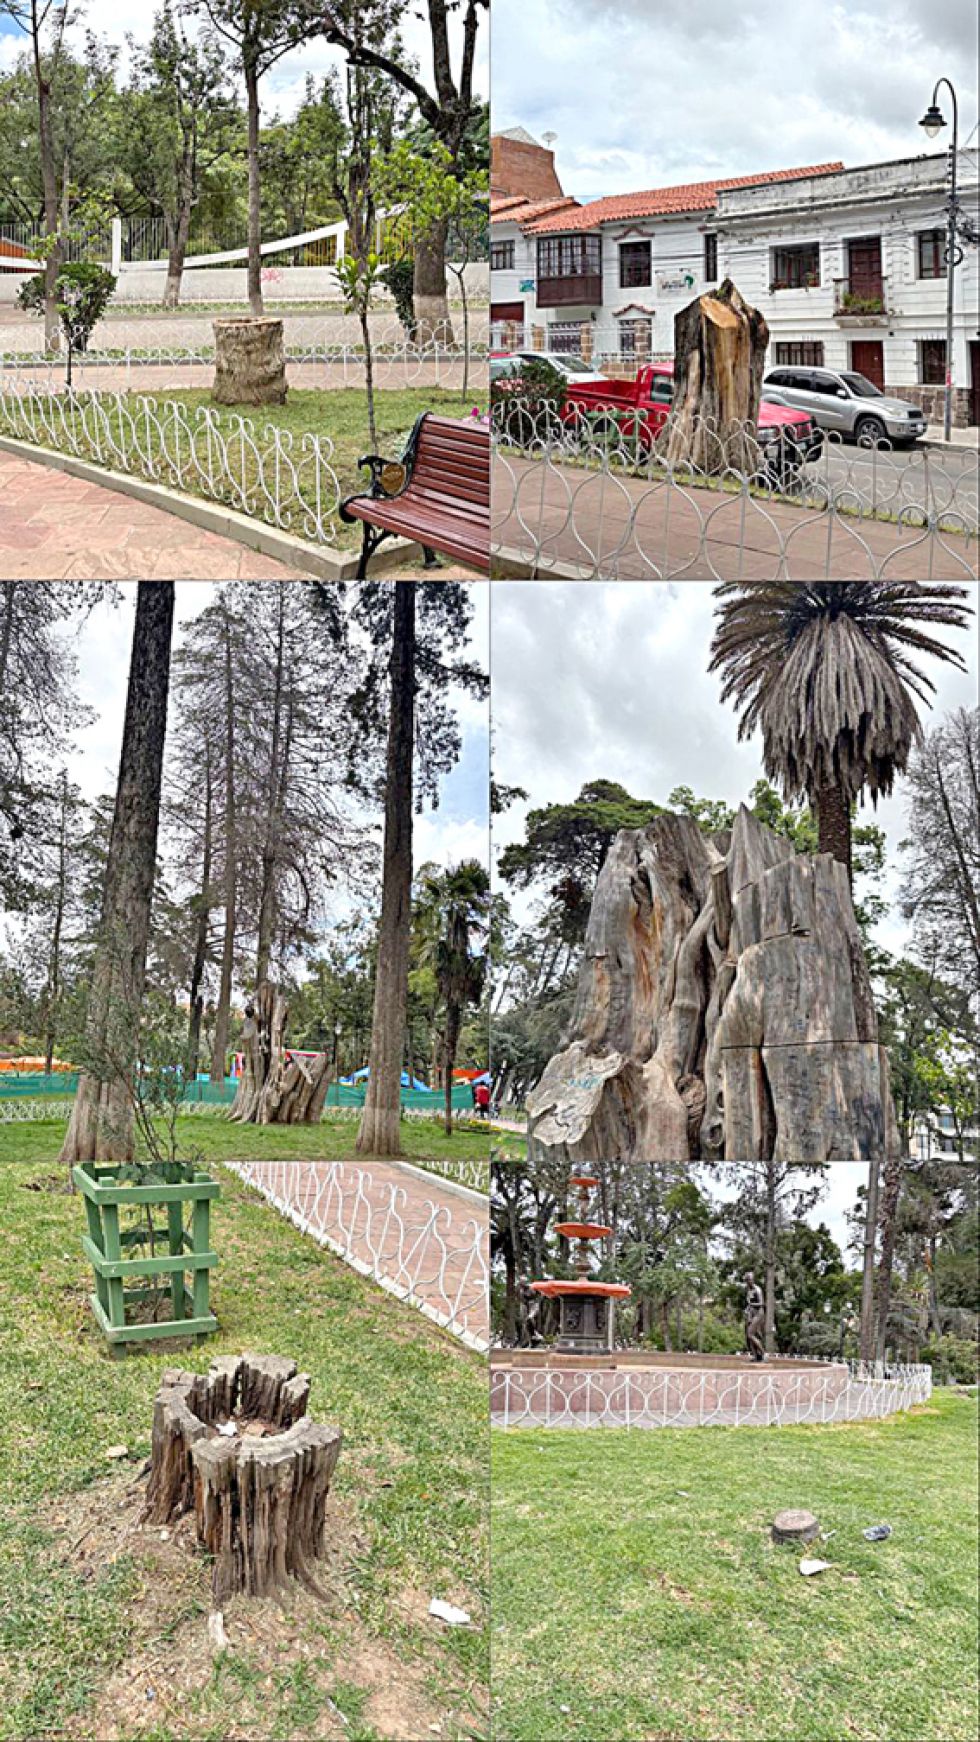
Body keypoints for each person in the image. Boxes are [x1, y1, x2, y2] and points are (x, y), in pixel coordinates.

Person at [744, 1271, 766, 1362]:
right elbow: (749, 1301)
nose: (749, 1281)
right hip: (752, 1314)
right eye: (747, 1280)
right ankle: (756, 1356)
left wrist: (751, 1304)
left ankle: (764, 1354)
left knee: (750, 1334)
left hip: (759, 1313)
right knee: (749, 1336)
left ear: (753, 1280)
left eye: (750, 1279)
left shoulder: (758, 1289)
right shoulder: (749, 1289)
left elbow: (762, 1303)